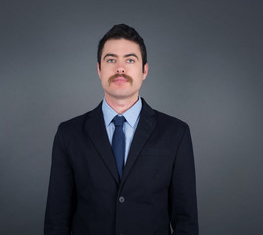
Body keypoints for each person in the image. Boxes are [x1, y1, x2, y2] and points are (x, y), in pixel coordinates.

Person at [44, 24, 199, 235]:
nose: (120, 68)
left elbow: (186, 222)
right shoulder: (68, 134)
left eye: (130, 59)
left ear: (144, 70)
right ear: (99, 69)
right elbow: (56, 221)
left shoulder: (176, 133)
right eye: (111, 60)